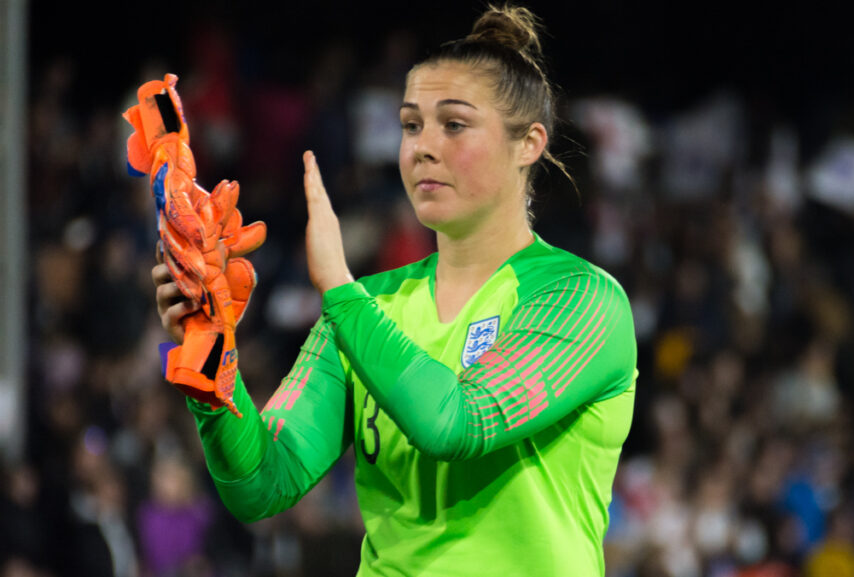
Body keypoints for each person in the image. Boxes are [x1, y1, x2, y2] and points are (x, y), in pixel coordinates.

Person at [152, 5, 637, 576]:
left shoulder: (582, 300)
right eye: (411, 125)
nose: (422, 147)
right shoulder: (369, 307)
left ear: (529, 143)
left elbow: (457, 423)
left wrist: (339, 288)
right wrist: (211, 359)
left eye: (453, 125)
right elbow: (263, 484)